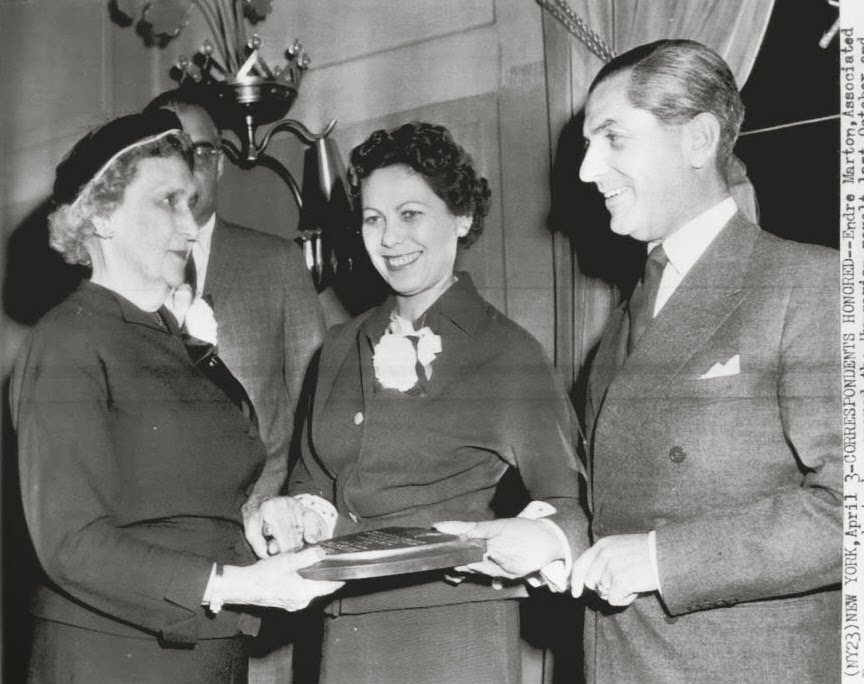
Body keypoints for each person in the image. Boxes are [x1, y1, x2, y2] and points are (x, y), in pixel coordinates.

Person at [9, 110, 342, 684]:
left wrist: (260, 521)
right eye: (167, 202)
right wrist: (236, 584)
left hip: (208, 650)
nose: (191, 228)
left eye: (190, 203)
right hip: (111, 657)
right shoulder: (66, 339)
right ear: (101, 214)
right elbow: (69, 543)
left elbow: (191, 499)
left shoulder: (175, 342)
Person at [260, 121, 589, 683]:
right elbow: (313, 478)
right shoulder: (339, 346)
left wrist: (539, 538)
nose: (389, 239)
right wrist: (297, 513)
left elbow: (571, 501)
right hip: (342, 622)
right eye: (373, 218)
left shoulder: (508, 351)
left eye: (411, 214)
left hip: (455, 627)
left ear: (460, 218)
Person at [568, 40, 842, 683]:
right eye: (587, 143)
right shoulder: (628, 313)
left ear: (698, 140)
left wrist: (664, 561)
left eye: (612, 138)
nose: (586, 170)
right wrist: (555, 536)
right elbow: (619, 508)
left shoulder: (808, 284)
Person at [144, 89, 327, 558]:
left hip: (264, 534)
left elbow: (316, 404)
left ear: (221, 163)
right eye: (168, 148)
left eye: (201, 150)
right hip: (156, 540)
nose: (186, 164)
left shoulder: (277, 263)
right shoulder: (119, 278)